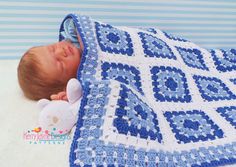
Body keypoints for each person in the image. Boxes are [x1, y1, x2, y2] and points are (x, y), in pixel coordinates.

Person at [17, 40, 83, 101]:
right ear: (66, 87)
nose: (61, 51)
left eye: (53, 48)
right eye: (61, 64)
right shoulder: (86, 80)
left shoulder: (73, 36)